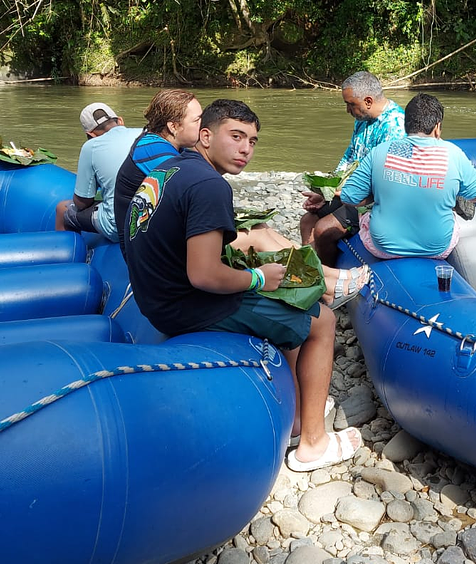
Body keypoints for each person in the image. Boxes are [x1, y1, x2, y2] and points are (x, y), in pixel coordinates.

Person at [123, 99, 361, 472]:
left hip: (154, 296)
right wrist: (258, 278)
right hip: (186, 305)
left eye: (252, 141)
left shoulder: (170, 167)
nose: (246, 149)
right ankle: (313, 444)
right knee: (323, 321)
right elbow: (204, 275)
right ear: (205, 135)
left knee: (290, 294)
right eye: (236, 136)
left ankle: (297, 417)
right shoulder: (209, 186)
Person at [339, 93, 476, 259]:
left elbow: (349, 197)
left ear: (405, 125)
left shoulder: (381, 151)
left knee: (365, 214)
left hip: (384, 248)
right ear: (437, 127)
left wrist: (376, 197)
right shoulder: (452, 153)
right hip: (437, 249)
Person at [300, 71, 406, 263]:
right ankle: (308, 269)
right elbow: (349, 157)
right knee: (307, 221)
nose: (348, 110)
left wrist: (340, 193)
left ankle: (328, 277)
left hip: (372, 200)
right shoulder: (362, 120)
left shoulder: (395, 127)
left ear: (367, 101)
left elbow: (384, 181)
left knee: (323, 229)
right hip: (350, 191)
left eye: (350, 104)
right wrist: (326, 191)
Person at [115, 89, 202, 248]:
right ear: (173, 126)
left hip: (147, 236)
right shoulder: (153, 151)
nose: (203, 126)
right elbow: (195, 192)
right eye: (197, 120)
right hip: (139, 247)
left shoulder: (161, 142)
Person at [54, 103, 142, 241]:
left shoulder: (91, 146)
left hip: (119, 227)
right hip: (153, 219)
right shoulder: (146, 133)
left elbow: (82, 202)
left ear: (90, 134)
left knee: (62, 209)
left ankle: (68, 257)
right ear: (120, 120)